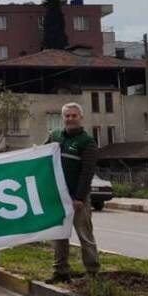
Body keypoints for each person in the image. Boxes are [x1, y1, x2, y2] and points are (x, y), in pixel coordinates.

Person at [45, 102, 100, 284]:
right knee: (59, 235)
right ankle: (60, 271)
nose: (70, 119)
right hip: (58, 197)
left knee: (85, 235)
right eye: (67, 116)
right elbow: (42, 157)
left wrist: (79, 198)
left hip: (77, 198)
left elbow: (87, 172)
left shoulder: (88, 142)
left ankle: (92, 271)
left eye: (74, 115)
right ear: (63, 118)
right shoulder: (55, 136)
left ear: (80, 117)